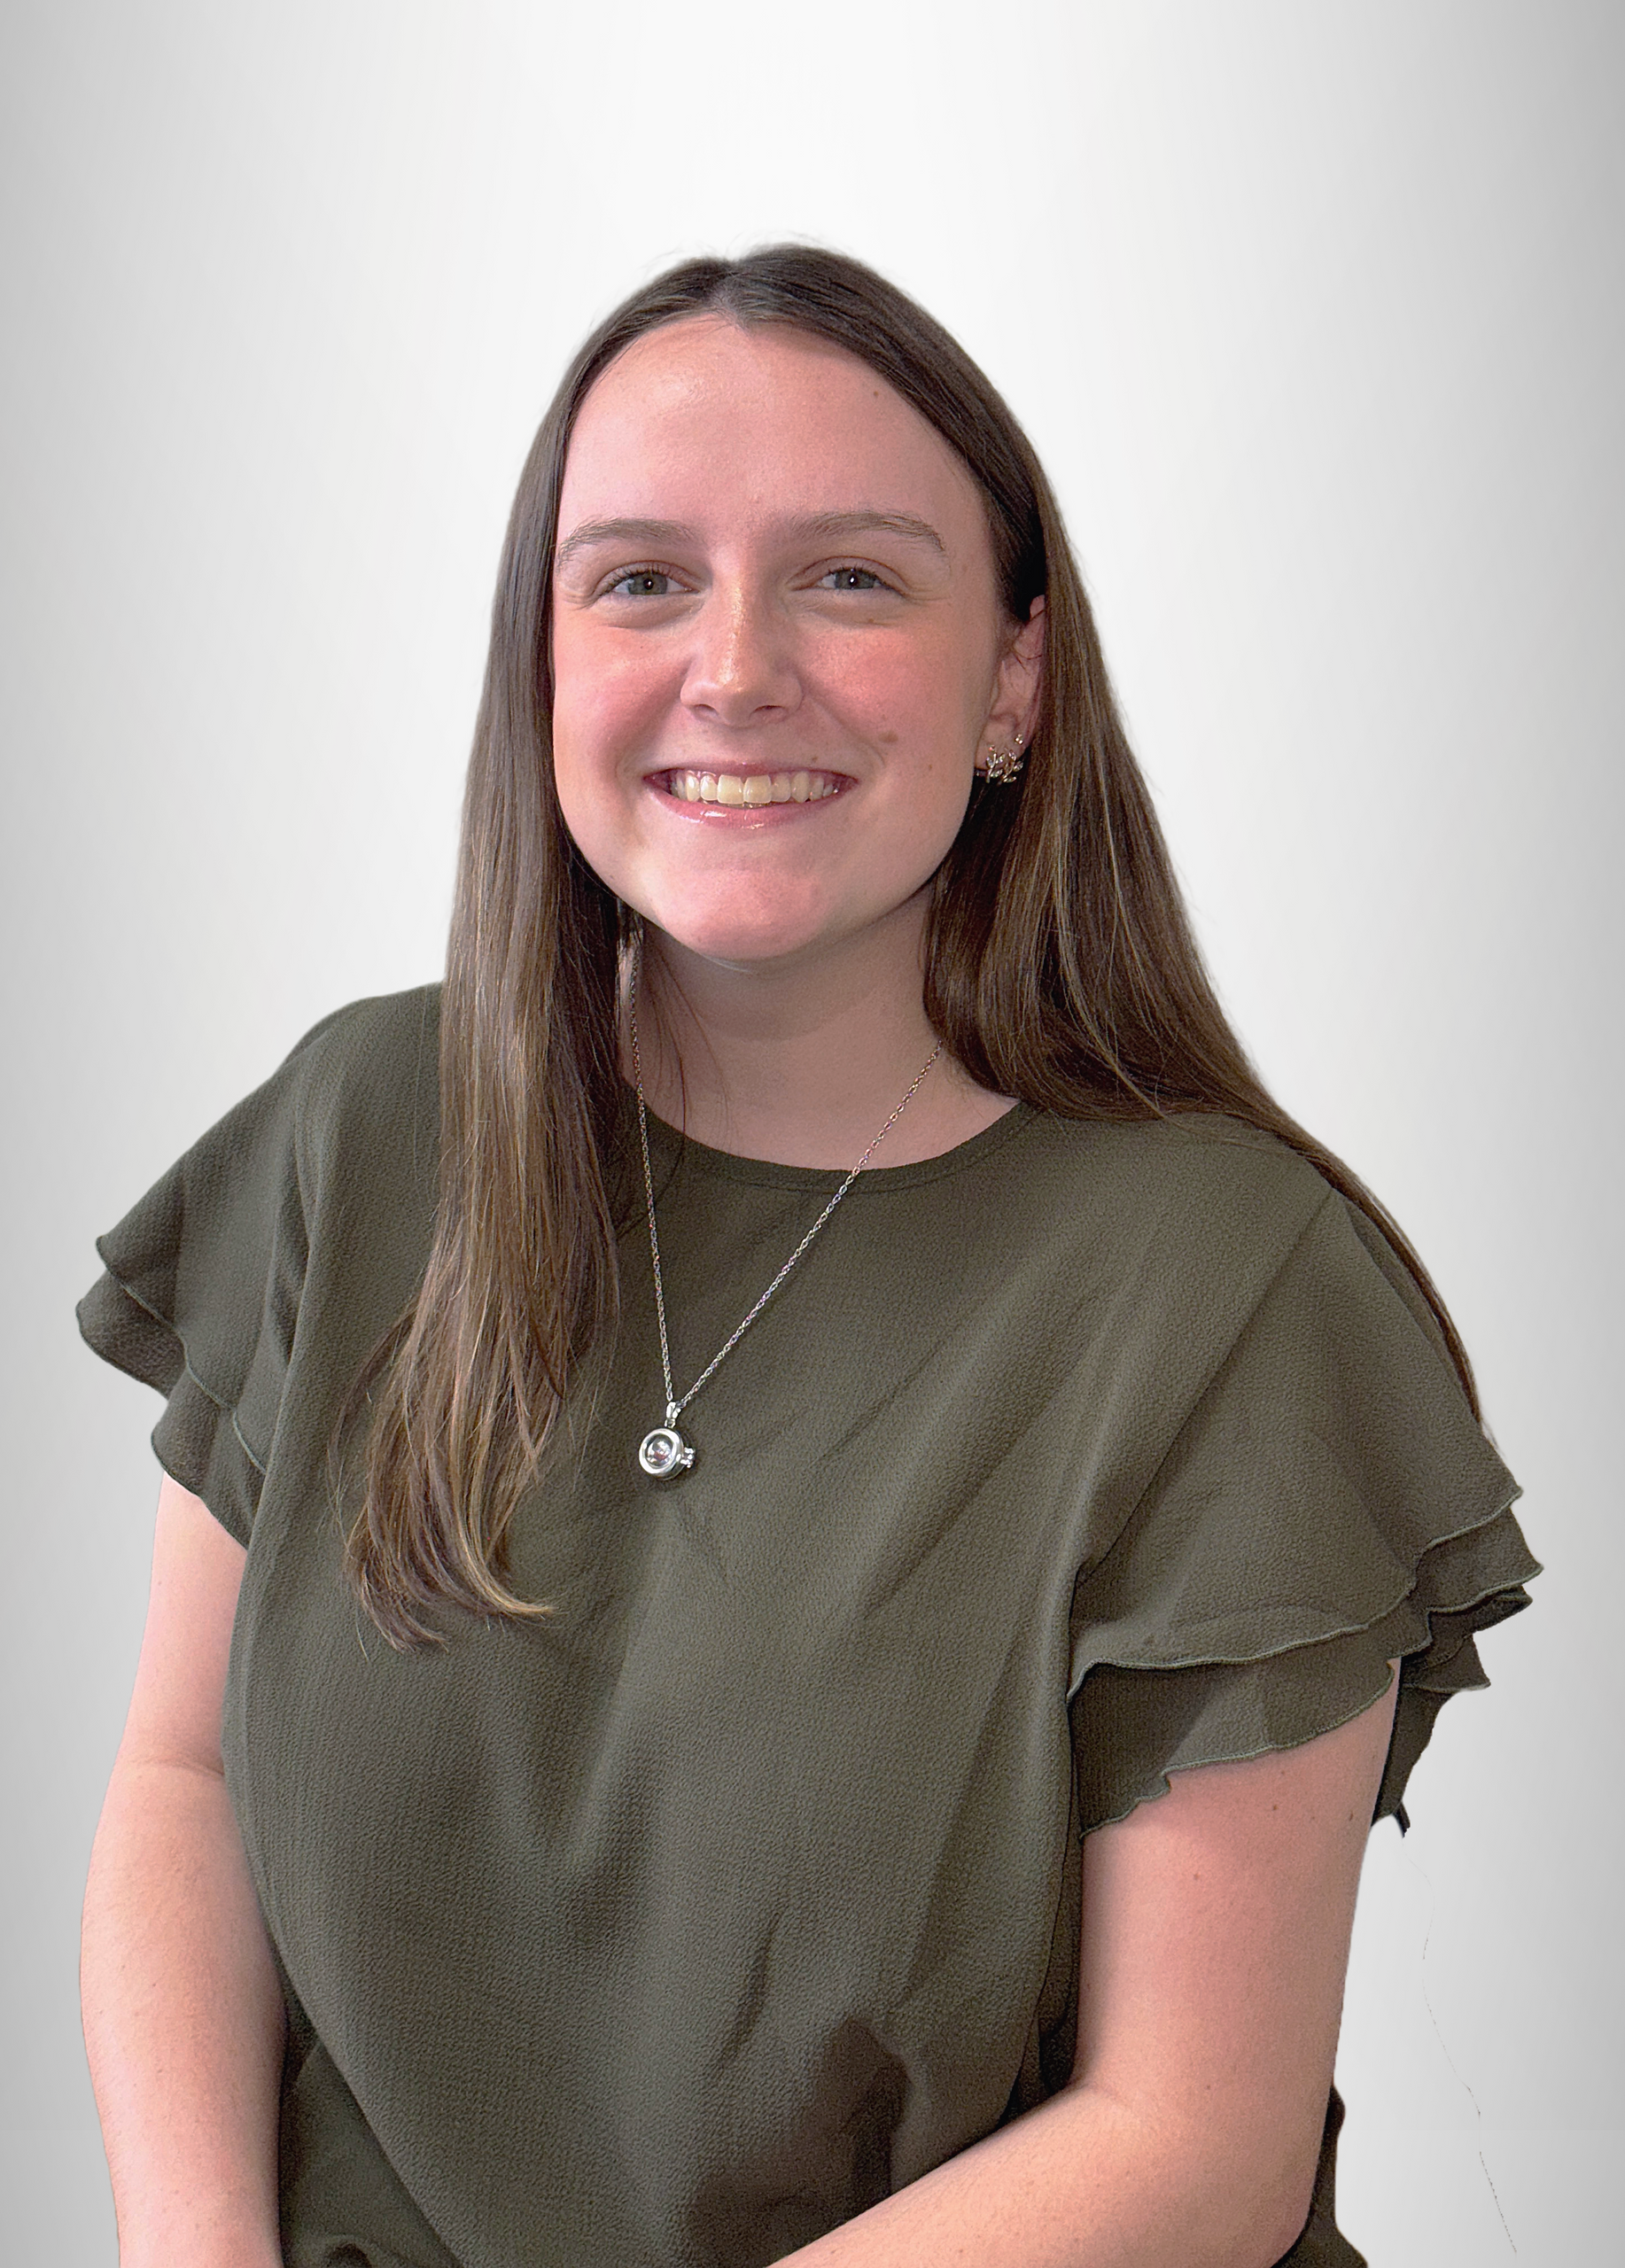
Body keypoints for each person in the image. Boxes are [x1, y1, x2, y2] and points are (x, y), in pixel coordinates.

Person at [77, 245, 1537, 2268]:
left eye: (851, 575)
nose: (735, 665)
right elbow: (183, 1782)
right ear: (543, 657)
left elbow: (1193, 2147)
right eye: (641, 577)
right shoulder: (363, 1130)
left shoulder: (1231, 1291)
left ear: (1013, 678)